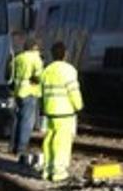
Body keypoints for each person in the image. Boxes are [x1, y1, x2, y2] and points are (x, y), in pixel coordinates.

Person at [39, 41, 83, 183]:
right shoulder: (69, 70)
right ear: (65, 54)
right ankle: (59, 173)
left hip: (49, 111)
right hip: (65, 112)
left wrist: (43, 109)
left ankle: (47, 170)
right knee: (62, 141)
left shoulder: (46, 71)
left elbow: (41, 94)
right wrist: (79, 106)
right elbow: (73, 91)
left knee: (49, 140)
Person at [11, 38, 44, 164]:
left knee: (18, 119)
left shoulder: (18, 58)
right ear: (34, 47)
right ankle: (22, 148)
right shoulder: (36, 58)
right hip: (30, 91)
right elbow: (39, 75)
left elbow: (10, 72)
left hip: (18, 91)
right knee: (27, 121)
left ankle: (14, 147)